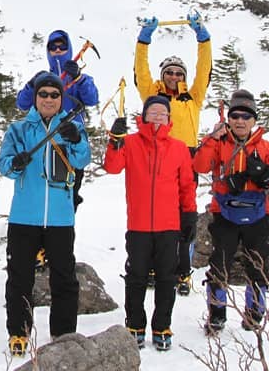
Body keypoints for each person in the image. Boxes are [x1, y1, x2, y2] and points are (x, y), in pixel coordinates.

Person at [0, 73, 89, 357]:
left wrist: (75, 140)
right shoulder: (19, 129)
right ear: (35, 98)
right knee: (19, 277)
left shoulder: (71, 125)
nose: (49, 99)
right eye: (44, 94)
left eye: (54, 94)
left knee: (64, 277)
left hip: (61, 218)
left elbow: (82, 159)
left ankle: (63, 333)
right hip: (24, 216)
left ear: (61, 99)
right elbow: (3, 165)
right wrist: (16, 163)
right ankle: (18, 331)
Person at [104, 96, 197, 352]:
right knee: (136, 277)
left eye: (162, 113)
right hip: (139, 226)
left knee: (167, 279)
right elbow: (112, 167)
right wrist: (114, 140)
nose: (157, 116)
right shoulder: (131, 143)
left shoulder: (178, 147)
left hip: (169, 226)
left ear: (169, 118)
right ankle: (135, 325)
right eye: (153, 112)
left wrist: (189, 215)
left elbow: (187, 185)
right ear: (144, 116)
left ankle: (162, 326)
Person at [192, 89, 269, 334]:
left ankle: (255, 314)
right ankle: (217, 315)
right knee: (220, 264)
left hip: (258, 214)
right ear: (228, 119)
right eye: (235, 116)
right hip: (224, 214)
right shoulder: (219, 143)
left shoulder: (265, 147)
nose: (240, 121)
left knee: (257, 265)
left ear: (254, 120)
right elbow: (199, 165)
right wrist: (212, 138)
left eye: (246, 116)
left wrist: (265, 173)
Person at [133, 12, 211, 294]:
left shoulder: (193, 97)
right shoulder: (153, 99)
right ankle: (155, 267)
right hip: (158, 159)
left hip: (187, 159)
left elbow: (205, 68)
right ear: (162, 75)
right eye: (169, 72)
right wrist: (144, 40)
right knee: (157, 216)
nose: (174, 76)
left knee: (185, 216)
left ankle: (183, 270)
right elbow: (141, 71)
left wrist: (203, 38)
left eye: (179, 73)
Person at [15, 29, 99, 209]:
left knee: (69, 192)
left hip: (72, 142)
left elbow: (92, 99)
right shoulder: (43, 80)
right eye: (53, 47)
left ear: (69, 49)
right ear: (48, 51)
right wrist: (32, 85)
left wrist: (78, 78)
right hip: (42, 141)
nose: (58, 50)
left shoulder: (81, 78)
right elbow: (22, 103)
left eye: (62, 46)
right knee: (41, 188)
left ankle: (66, 226)